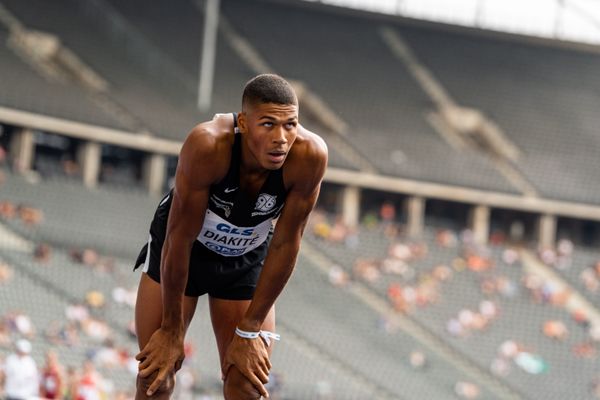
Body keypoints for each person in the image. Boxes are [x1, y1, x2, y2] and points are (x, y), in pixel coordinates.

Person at [133, 74, 328, 399]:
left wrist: (250, 329)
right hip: (187, 249)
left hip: (246, 254)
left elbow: (285, 242)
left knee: (247, 384)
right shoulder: (208, 145)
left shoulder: (309, 157)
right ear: (244, 123)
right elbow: (178, 240)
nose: (281, 138)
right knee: (156, 376)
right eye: (268, 124)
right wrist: (171, 328)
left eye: (290, 124)